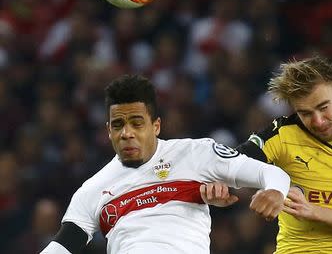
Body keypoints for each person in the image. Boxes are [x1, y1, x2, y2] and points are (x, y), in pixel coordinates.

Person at [40, 74, 290, 254]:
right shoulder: (93, 189)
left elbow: (271, 173)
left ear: (156, 125)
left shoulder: (196, 153)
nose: (126, 133)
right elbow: (61, 246)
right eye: (118, 125)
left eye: (137, 123)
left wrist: (275, 191)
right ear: (108, 130)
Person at [205, 56, 332, 253]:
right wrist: (216, 186)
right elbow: (229, 164)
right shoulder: (282, 134)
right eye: (305, 113)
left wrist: (313, 211)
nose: (318, 121)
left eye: (324, 108)